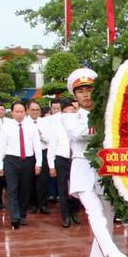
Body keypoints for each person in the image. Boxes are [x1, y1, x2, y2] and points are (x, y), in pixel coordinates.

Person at [62, 68, 126, 257]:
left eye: (89, 89)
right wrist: (105, 122)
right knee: (95, 214)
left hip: (105, 171)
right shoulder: (70, 117)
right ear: (75, 95)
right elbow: (80, 134)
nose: (86, 94)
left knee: (106, 224)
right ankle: (111, 251)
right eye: (81, 91)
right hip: (82, 169)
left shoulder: (108, 113)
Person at [1, 101, 41, 229]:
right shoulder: (6, 126)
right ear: (12, 113)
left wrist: (38, 163)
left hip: (28, 160)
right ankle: (14, 216)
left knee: (25, 189)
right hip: (11, 160)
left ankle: (22, 214)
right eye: (16, 112)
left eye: (21, 111)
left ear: (25, 112)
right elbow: (1, 146)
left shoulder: (31, 126)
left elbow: (37, 146)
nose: (19, 114)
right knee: (12, 189)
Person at [50, 97, 76, 227]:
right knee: (62, 189)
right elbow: (52, 146)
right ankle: (65, 216)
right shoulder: (57, 127)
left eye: (72, 111)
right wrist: (51, 165)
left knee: (76, 188)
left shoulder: (78, 126)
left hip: (75, 160)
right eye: (67, 112)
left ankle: (74, 212)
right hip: (61, 160)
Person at [26, 100, 50, 215]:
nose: (35, 112)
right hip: (30, 154)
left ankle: (43, 204)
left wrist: (41, 136)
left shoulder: (45, 122)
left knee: (43, 180)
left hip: (43, 151)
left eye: (37, 110)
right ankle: (32, 204)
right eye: (33, 110)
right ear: (27, 110)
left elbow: (50, 139)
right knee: (30, 179)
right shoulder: (24, 122)